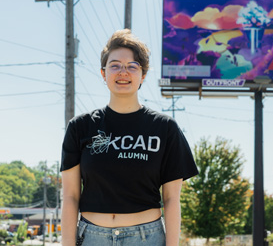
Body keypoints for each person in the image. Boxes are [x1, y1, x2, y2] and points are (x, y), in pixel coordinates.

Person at [60, 29, 198, 246]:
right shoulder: (80, 127)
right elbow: (70, 196)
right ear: (103, 73)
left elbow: (172, 199)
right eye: (114, 65)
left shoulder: (165, 128)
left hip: (147, 238)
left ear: (143, 75)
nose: (123, 72)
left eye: (132, 66)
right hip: (92, 238)